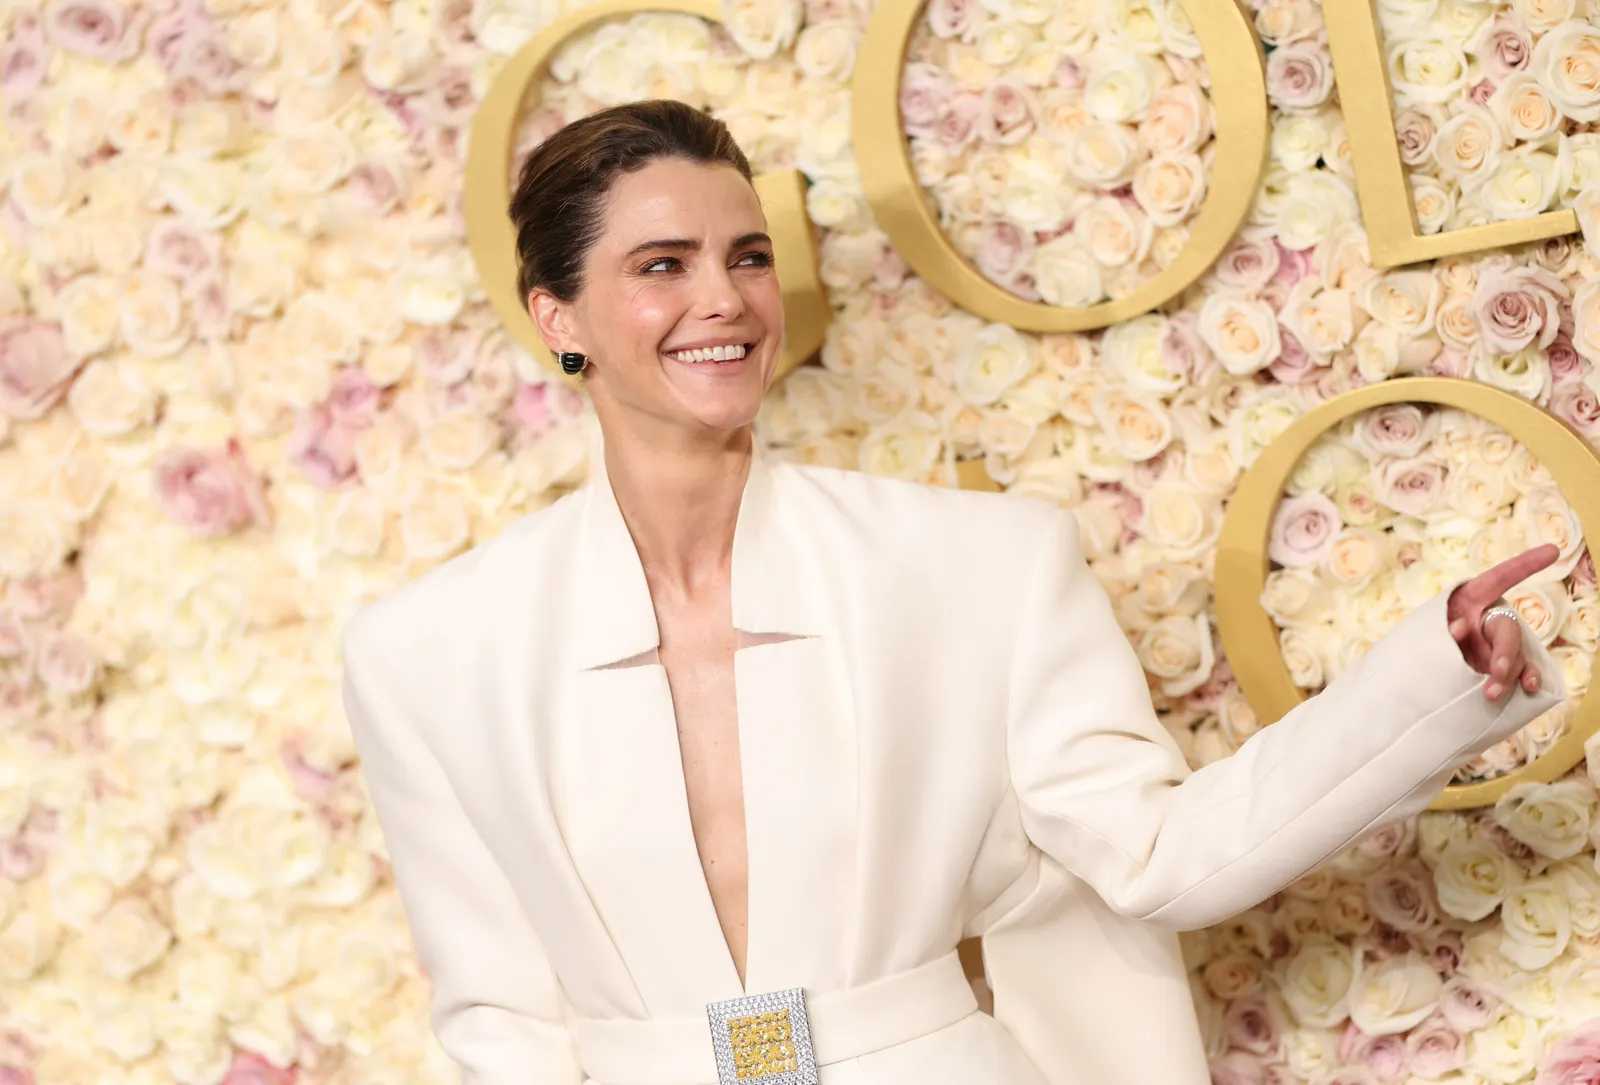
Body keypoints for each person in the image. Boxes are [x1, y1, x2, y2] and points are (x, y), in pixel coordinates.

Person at [339, 99, 1565, 1085]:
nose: (723, 298)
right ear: (559, 316)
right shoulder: (430, 652)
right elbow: (497, 1017)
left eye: (748, 255)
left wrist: (1428, 679)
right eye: (663, 264)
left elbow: (1157, 857)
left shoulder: (981, 566)